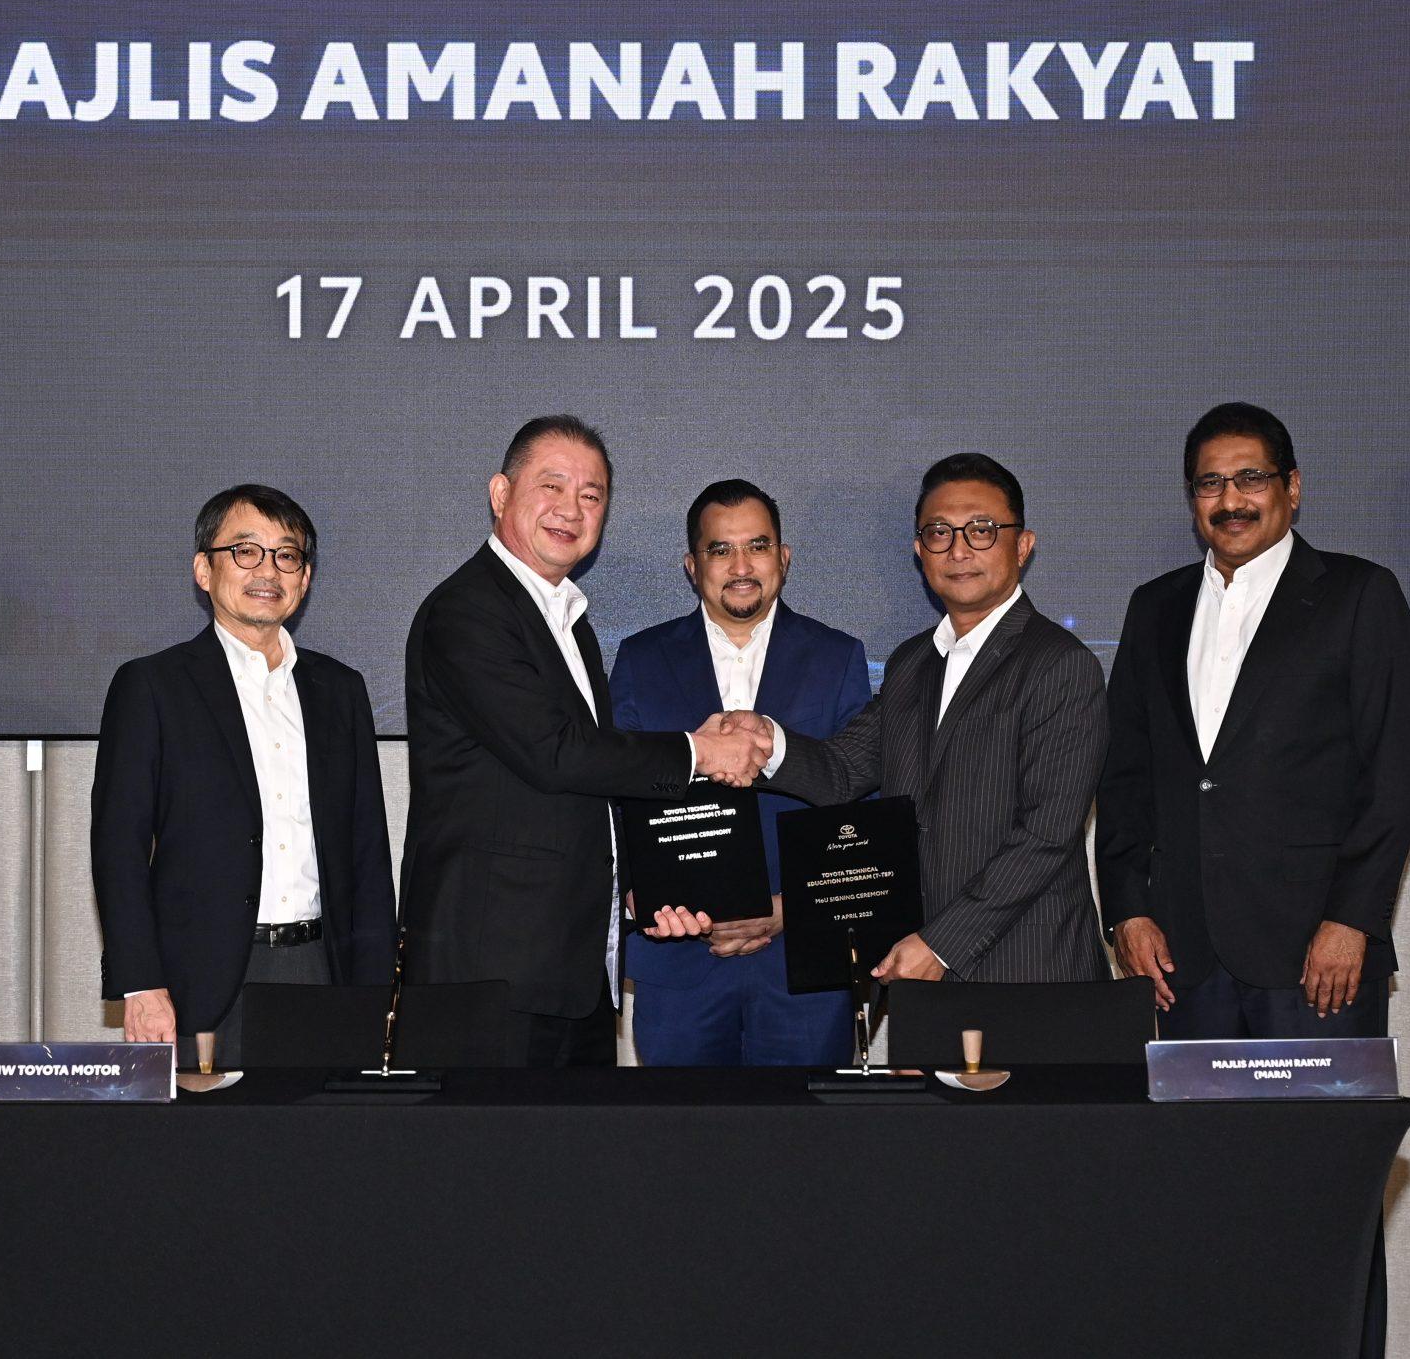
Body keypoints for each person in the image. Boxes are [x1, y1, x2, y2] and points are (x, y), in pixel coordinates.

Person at [1093, 401, 1410, 1359]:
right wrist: (1129, 910)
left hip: (1315, 962)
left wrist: (1353, 918)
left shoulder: (1358, 595)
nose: (1230, 499)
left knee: (1325, 1205)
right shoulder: (1155, 607)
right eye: (1210, 482)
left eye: (1250, 478)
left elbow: (1395, 771)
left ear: (1292, 487)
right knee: (1203, 1204)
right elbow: (1127, 777)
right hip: (1187, 965)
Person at [402, 416, 767, 1067]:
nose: (571, 508)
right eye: (552, 486)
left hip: (573, 967)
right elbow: (556, 753)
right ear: (500, 493)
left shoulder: (569, 621)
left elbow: (592, 785)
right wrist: (700, 751)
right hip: (494, 974)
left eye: (591, 494)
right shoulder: (468, 610)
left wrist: (650, 881)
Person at [695, 453, 1109, 986]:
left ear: (1023, 545)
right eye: (939, 532)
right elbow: (843, 771)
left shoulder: (1061, 664)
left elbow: (1046, 836)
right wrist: (767, 740)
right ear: (919, 551)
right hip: (919, 969)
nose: (958, 549)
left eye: (981, 529)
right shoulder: (912, 663)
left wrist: (940, 945)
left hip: (1029, 972)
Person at [90, 484, 396, 1066]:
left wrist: (376, 991)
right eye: (246, 551)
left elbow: (366, 853)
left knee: (324, 1127)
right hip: (199, 982)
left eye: (287, 555)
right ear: (204, 570)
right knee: (206, 1128)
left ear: (305, 579)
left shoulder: (340, 691)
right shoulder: (152, 687)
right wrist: (141, 983)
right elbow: (118, 847)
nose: (268, 570)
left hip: (321, 971)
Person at [611, 479, 874, 1066]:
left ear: (783, 557)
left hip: (802, 966)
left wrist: (788, 909)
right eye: (720, 549)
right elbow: (615, 800)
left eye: (757, 545)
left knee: (804, 1125)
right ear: (692, 565)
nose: (741, 566)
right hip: (678, 962)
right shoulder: (640, 659)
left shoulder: (838, 657)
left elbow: (861, 807)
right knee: (684, 1124)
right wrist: (639, 892)